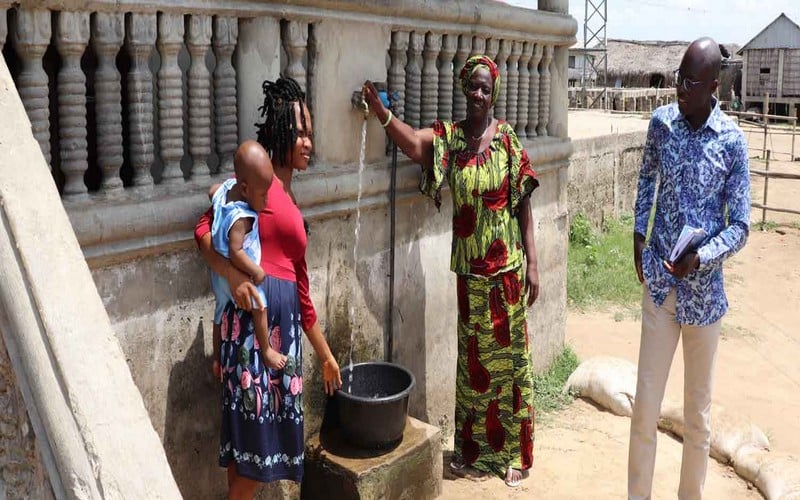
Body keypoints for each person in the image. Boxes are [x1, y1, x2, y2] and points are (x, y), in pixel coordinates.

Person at [363, 54, 540, 488]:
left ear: (494, 92)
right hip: (470, 277)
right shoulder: (453, 140)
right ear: (464, 89)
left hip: (508, 274)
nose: (478, 94)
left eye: (485, 87)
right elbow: (411, 144)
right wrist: (383, 114)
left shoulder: (508, 141)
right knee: (473, 367)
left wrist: (534, 263)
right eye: (472, 87)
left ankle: (515, 452)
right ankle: (471, 453)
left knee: (512, 364)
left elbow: (524, 207)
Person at [195, 76, 342, 499]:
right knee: (251, 453)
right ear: (278, 128)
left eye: (309, 132)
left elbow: (302, 291)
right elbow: (203, 231)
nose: (307, 141)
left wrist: (326, 355)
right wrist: (233, 274)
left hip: (283, 335)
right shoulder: (254, 187)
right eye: (298, 131)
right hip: (251, 332)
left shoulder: (289, 202)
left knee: (257, 455)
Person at [629, 37, 750, 500]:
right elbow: (646, 179)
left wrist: (701, 257)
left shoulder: (733, 142)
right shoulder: (662, 125)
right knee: (645, 408)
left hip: (704, 298)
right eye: (678, 78)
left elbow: (740, 226)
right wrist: (639, 233)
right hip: (661, 286)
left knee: (697, 417)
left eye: (690, 82)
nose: (680, 88)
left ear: (713, 87)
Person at [209, 141, 285, 381]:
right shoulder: (243, 217)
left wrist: (221, 195)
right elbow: (236, 251)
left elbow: (211, 190)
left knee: (219, 314)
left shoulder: (225, 192)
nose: (265, 201)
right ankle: (267, 350)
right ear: (244, 189)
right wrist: (256, 270)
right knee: (260, 306)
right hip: (237, 276)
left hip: (217, 275)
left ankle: (217, 359)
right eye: (263, 195)